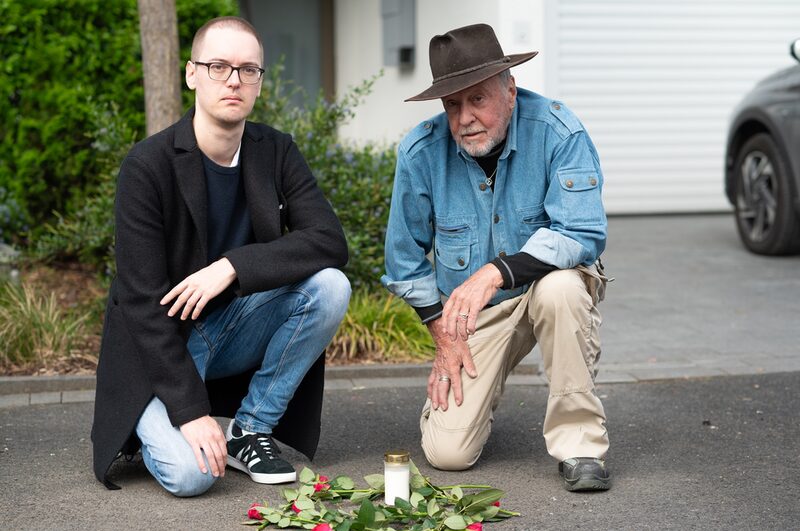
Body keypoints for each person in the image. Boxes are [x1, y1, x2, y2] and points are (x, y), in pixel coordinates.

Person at [91, 16, 351, 496]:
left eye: (248, 69)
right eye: (218, 66)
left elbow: (329, 241)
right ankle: (156, 423)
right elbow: (143, 307)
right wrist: (190, 413)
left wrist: (231, 267)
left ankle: (249, 429)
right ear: (191, 74)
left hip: (230, 329)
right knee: (191, 477)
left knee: (330, 285)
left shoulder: (274, 150)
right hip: (162, 346)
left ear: (258, 82)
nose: (234, 80)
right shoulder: (147, 167)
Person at [382, 23, 611, 491]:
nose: (465, 117)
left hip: (544, 293)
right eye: (452, 105)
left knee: (562, 287)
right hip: (474, 319)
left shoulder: (558, 130)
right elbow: (403, 260)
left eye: (477, 99)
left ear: (509, 90)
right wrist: (442, 333)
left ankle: (580, 445)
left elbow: (583, 231)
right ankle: (481, 395)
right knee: (448, 456)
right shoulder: (420, 152)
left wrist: (497, 271)